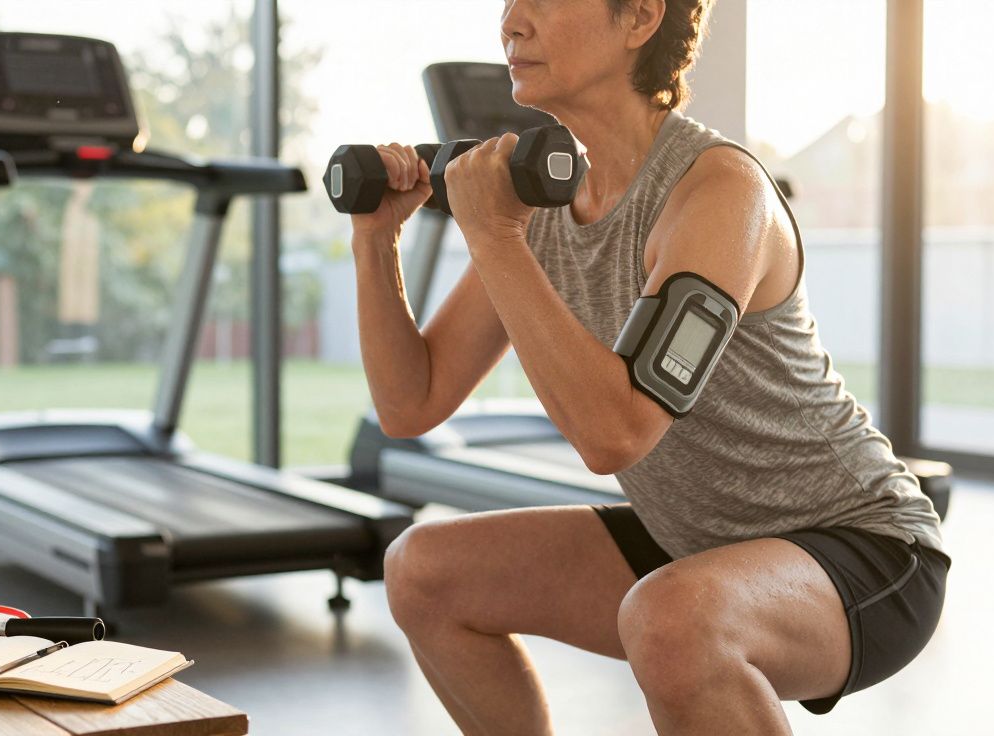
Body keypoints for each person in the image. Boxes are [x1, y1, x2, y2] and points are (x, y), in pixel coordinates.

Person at [350, 1, 950, 733]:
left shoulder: (718, 192)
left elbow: (618, 434)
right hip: (693, 539)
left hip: (863, 544)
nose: (511, 21)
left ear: (638, 17)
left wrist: (496, 236)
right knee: (424, 573)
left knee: (672, 621)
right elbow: (411, 403)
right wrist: (374, 242)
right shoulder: (539, 208)